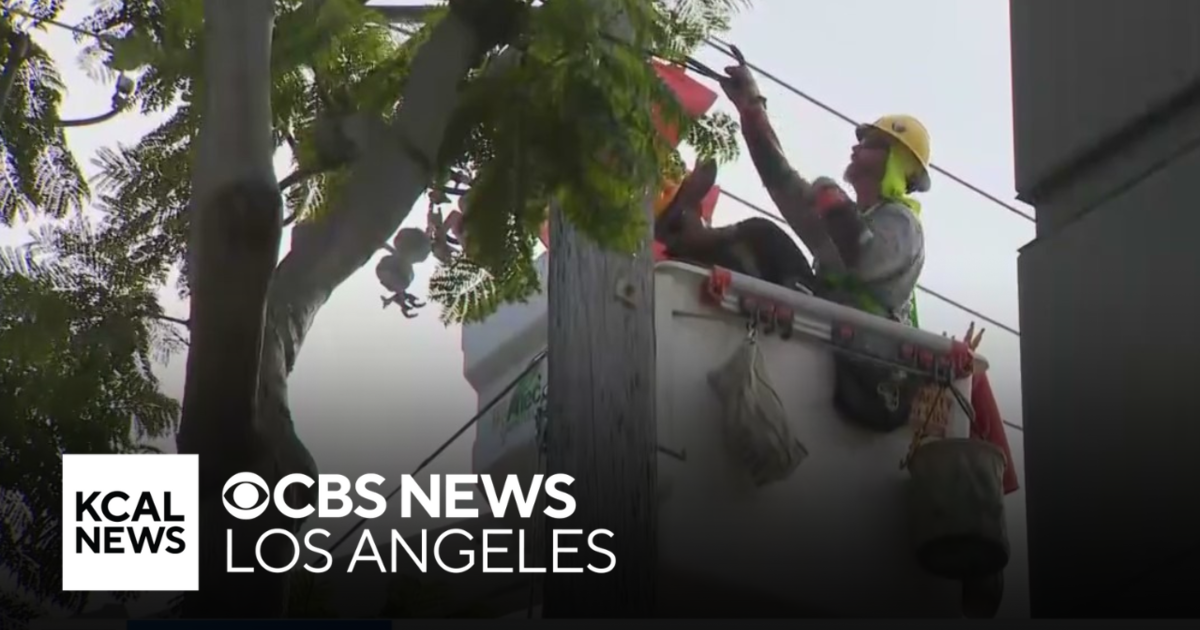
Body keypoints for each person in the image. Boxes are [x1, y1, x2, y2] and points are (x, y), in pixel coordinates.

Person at [659, 61, 931, 329]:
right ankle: (683, 233)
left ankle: (692, 232)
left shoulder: (903, 223)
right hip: (824, 327)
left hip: (860, 348)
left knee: (763, 234)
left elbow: (867, 262)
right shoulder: (850, 219)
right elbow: (782, 180)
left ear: (896, 162)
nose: (856, 148)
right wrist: (750, 106)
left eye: (870, 143)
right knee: (755, 246)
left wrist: (835, 204)